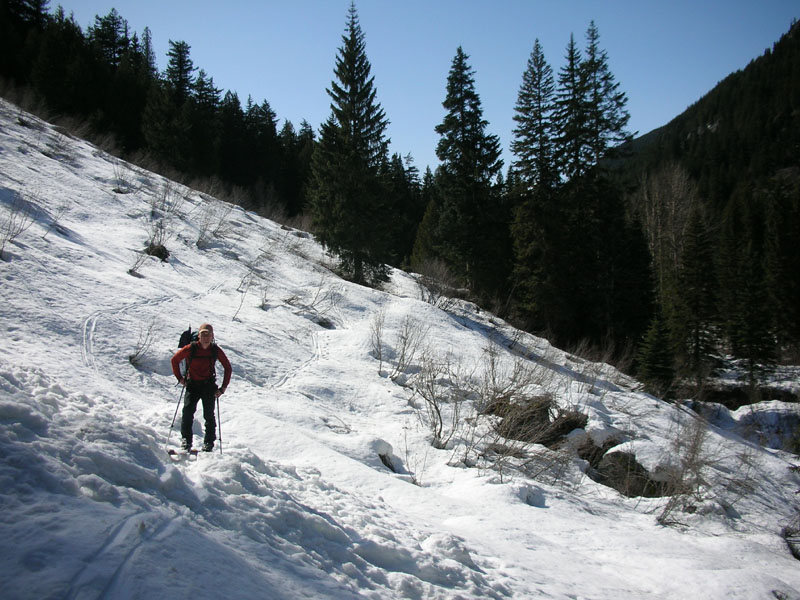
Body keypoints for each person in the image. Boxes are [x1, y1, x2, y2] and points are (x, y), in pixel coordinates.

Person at [170, 323, 232, 452]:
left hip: (208, 386)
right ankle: (186, 441)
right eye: (203, 334)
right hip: (192, 385)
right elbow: (174, 360)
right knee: (187, 413)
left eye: (208, 334)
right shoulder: (191, 348)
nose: (206, 337)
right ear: (199, 335)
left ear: (212, 336)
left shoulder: (215, 350)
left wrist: (223, 388)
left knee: (208, 415)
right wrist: (180, 379)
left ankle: (209, 443)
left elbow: (228, 367)